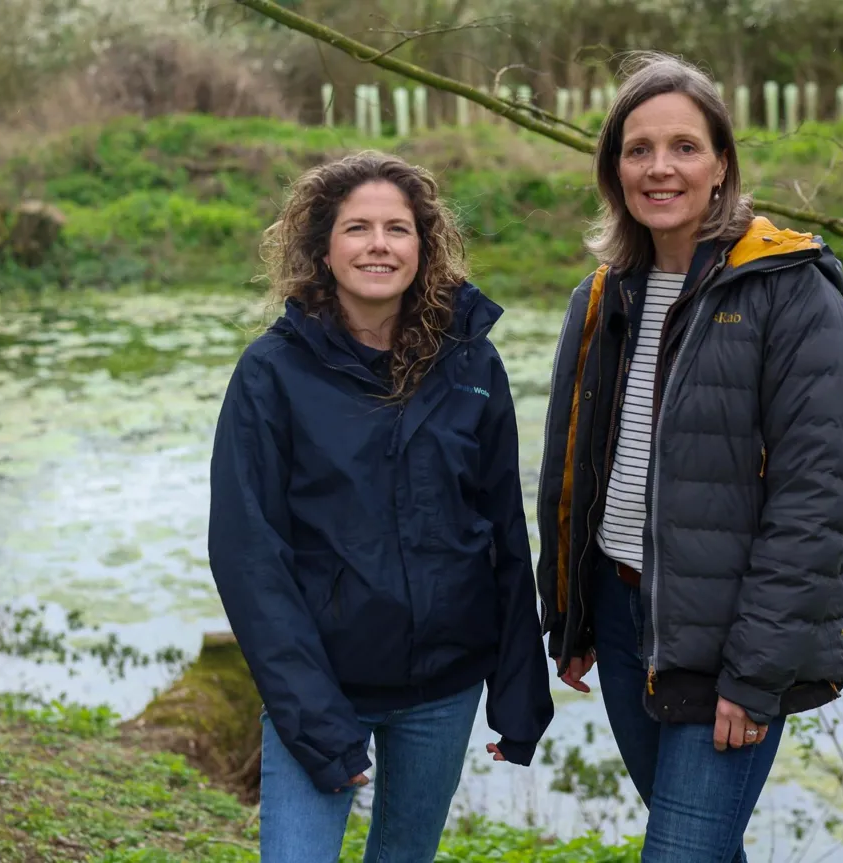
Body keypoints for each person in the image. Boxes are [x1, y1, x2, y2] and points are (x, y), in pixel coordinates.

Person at [535, 52, 843, 861]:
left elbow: (816, 501)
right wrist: (572, 610)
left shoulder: (789, 290)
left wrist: (755, 673)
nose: (661, 168)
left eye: (684, 146)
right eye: (638, 148)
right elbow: (573, 468)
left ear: (721, 163)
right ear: (615, 168)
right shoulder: (602, 294)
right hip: (619, 621)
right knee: (703, 846)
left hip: (727, 637)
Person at [207, 151, 553, 863]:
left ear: (422, 247)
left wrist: (520, 690)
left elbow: (504, 533)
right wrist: (316, 719)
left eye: (397, 228)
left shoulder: (472, 364)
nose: (378, 244)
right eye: (356, 227)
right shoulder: (269, 375)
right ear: (323, 249)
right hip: (321, 683)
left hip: (442, 689)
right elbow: (248, 556)